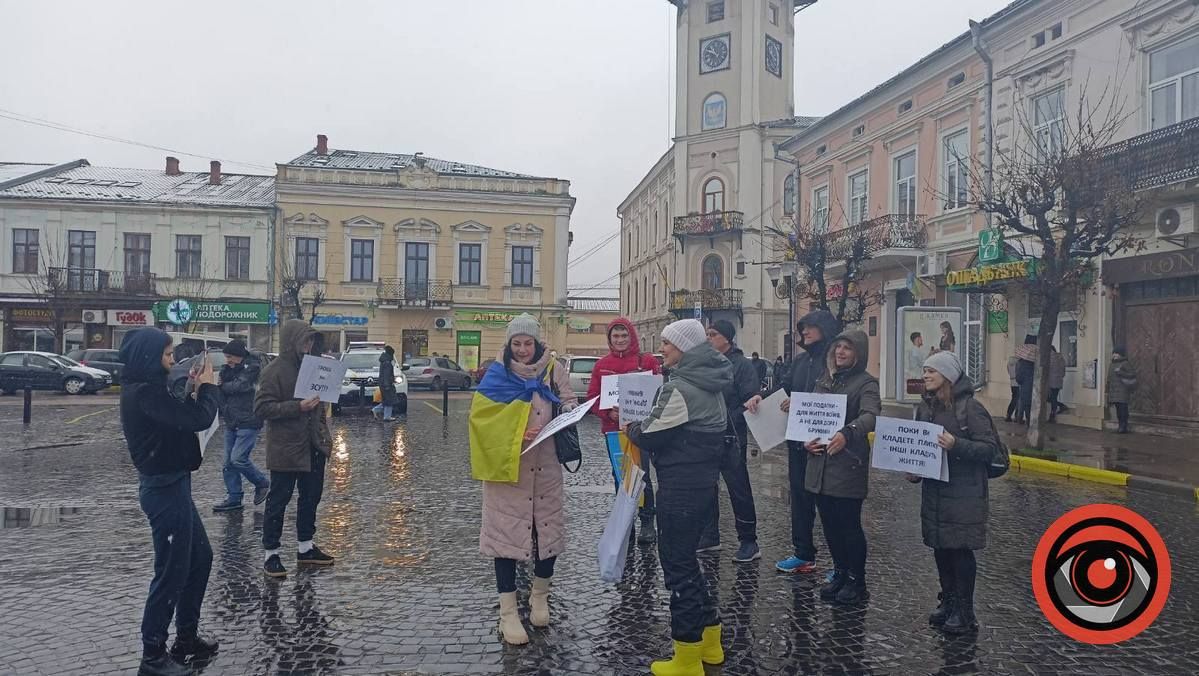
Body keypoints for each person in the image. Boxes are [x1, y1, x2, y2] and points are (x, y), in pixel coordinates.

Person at [624, 318, 731, 675]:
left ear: (684, 348)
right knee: (691, 563)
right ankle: (711, 643)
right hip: (703, 485)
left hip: (680, 488)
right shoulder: (711, 381)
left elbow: (651, 433)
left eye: (668, 343)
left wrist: (630, 427)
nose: (663, 349)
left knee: (678, 567)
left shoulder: (681, 387)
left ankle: (686, 658)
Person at [471, 314, 577, 645]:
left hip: (545, 468)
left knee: (547, 531)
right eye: (516, 344)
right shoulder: (496, 374)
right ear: (508, 345)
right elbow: (481, 420)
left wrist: (562, 416)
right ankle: (508, 613)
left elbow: (570, 401)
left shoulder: (553, 370)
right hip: (508, 470)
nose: (521, 350)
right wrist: (518, 433)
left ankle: (540, 596)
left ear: (537, 343)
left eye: (527, 343)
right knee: (505, 538)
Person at [119, 327, 220, 676]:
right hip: (163, 489)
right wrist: (208, 388)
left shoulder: (150, 389)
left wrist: (190, 389)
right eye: (166, 355)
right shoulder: (144, 393)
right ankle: (153, 656)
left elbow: (175, 418)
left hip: (175, 484)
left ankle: (186, 638)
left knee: (200, 558)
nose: (172, 360)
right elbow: (196, 419)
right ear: (149, 358)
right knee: (171, 571)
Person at [745, 309, 841, 574]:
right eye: (802, 328)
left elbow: (835, 398)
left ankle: (841, 564)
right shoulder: (800, 362)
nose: (804, 332)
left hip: (826, 443)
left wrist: (798, 404)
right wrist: (760, 397)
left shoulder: (835, 359)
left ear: (824, 328)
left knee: (830, 506)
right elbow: (784, 386)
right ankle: (803, 553)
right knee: (799, 501)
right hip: (798, 442)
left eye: (809, 327)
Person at [911, 351, 999, 635]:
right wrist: (913, 470)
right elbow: (918, 448)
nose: (926, 375)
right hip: (935, 490)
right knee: (941, 549)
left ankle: (965, 611)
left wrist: (956, 444)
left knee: (960, 551)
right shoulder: (925, 408)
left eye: (932, 371)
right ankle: (948, 601)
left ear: (947, 375)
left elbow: (989, 449)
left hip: (965, 492)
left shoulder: (970, 408)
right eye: (924, 371)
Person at [255, 320, 335, 579]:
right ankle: (271, 554)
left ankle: (306, 547)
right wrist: (296, 407)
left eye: (311, 340)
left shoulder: (315, 367)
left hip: (313, 445)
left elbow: (321, 408)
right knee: (278, 501)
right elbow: (262, 408)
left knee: (311, 498)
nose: (308, 345)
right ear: (292, 341)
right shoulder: (274, 371)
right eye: (305, 340)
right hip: (286, 448)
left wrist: (325, 437)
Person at [804, 330, 879, 605]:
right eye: (838, 347)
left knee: (849, 527)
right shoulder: (825, 380)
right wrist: (806, 441)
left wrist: (849, 432)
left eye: (847, 348)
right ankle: (839, 572)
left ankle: (856, 580)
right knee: (830, 527)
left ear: (858, 353)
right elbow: (811, 417)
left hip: (847, 464)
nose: (841, 352)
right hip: (820, 467)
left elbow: (871, 415)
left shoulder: (866, 383)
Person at [586, 318, 661, 544]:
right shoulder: (602, 365)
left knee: (643, 475)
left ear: (632, 337)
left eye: (624, 336)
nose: (620, 340)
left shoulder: (646, 361)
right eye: (615, 337)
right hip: (614, 431)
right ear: (609, 339)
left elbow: (658, 394)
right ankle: (625, 521)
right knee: (621, 477)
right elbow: (593, 397)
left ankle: (647, 521)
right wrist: (608, 413)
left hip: (642, 431)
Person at [699, 320, 760, 562]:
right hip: (707, 436)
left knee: (739, 489)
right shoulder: (708, 362)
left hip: (732, 436)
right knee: (707, 488)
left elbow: (749, 399)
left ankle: (749, 541)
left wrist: (728, 417)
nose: (709, 338)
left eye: (713, 334)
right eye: (707, 334)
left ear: (727, 338)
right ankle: (710, 536)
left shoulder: (742, 365)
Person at [213, 340, 270, 513]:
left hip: (249, 420)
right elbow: (224, 388)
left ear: (239, 355)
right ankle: (234, 497)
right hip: (232, 420)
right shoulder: (228, 369)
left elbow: (241, 386)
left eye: (230, 356)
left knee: (237, 459)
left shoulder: (252, 367)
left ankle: (262, 482)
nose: (227, 360)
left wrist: (224, 386)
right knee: (228, 463)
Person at [1107, 347, 1137, 434]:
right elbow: (1109, 378)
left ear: (1120, 354)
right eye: (1114, 353)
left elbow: (1132, 374)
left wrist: (1120, 372)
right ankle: (1120, 425)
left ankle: (1123, 427)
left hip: (1123, 390)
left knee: (1123, 409)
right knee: (1118, 410)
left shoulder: (1125, 363)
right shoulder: (1112, 364)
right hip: (1114, 391)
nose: (1114, 355)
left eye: (1116, 353)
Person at [372, 345, 400, 421]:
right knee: (389, 400)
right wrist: (388, 384)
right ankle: (387, 416)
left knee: (386, 400)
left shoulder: (383, 361)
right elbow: (387, 374)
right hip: (386, 385)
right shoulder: (387, 363)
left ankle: (376, 410)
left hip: (383, 384)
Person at [1015, 335, 1038, 424]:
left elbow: (1019, 378)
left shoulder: (1023, 363)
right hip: (1037, 389)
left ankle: (1028, 423)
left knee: (1027, 407)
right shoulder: (1037, 360)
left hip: (1026, 389)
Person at [1047, 345, 1067, 423]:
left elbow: (1046, 371)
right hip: (1058, 381)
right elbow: (1063, 372)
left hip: (1051, 381)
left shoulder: (1049, 358)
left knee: (1050, 398)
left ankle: (1053, 415)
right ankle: (1060, 407)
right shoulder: (1061, 358)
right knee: (1053, 397)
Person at [1004, 355, 1020, 423]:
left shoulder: (1009, 363)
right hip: (1017, 383)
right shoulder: (1018, 363)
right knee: (1018, 400)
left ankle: (1009, 414)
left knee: (1014, 399)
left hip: (1012, 382)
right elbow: (1019, 373)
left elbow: (1008, 371)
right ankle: (1017, 416)